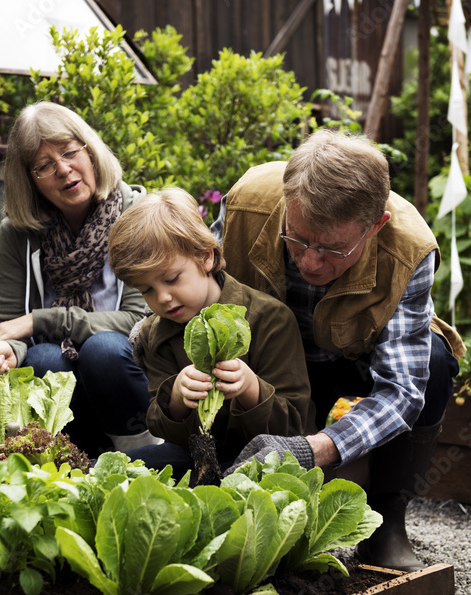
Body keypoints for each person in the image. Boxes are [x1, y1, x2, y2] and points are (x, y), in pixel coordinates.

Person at [219, 129, 465, 572]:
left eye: (334, 248)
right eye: (297, 239)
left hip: (352, 360)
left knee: (433, 358)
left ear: (376, 226)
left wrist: (316, 448)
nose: (311, 262)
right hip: (269, 366)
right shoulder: (245, 205)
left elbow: (402, 391)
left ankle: (386, 522)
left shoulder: (410, 248)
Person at [0, 102, 159, 456]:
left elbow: (140, 321)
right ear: (29, 181)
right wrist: (5, 352)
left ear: (90, 151)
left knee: (102, 349)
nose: (64, 170)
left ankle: (143, 456)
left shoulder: (135, 215)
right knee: (43, 358)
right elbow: (8, 329)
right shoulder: (17, 234)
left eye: (70, 153)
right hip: (60, 388)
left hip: (128, 372)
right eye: (44, 166)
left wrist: (40, 320)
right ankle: (71, 456)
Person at [107, 187, 317, 477]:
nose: (163, 298)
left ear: (205, 258)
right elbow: (160, 426)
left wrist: (251, 389)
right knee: (111, 472)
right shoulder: (155, 333)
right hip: (195, 455)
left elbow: (296, 428)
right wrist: (177, 399)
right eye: (147, 290)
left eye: (171, 279)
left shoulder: (270, 319)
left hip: (268, 461)